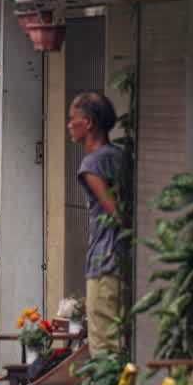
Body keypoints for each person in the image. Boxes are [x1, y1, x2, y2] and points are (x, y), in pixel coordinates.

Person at [68, 91, 126, 354]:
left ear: (88, 122)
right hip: (125, 259)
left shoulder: (92, 164)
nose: (70, 125)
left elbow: (117, 212)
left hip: (105, 261)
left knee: (104, 345)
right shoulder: (120, 155)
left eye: (73, 119)